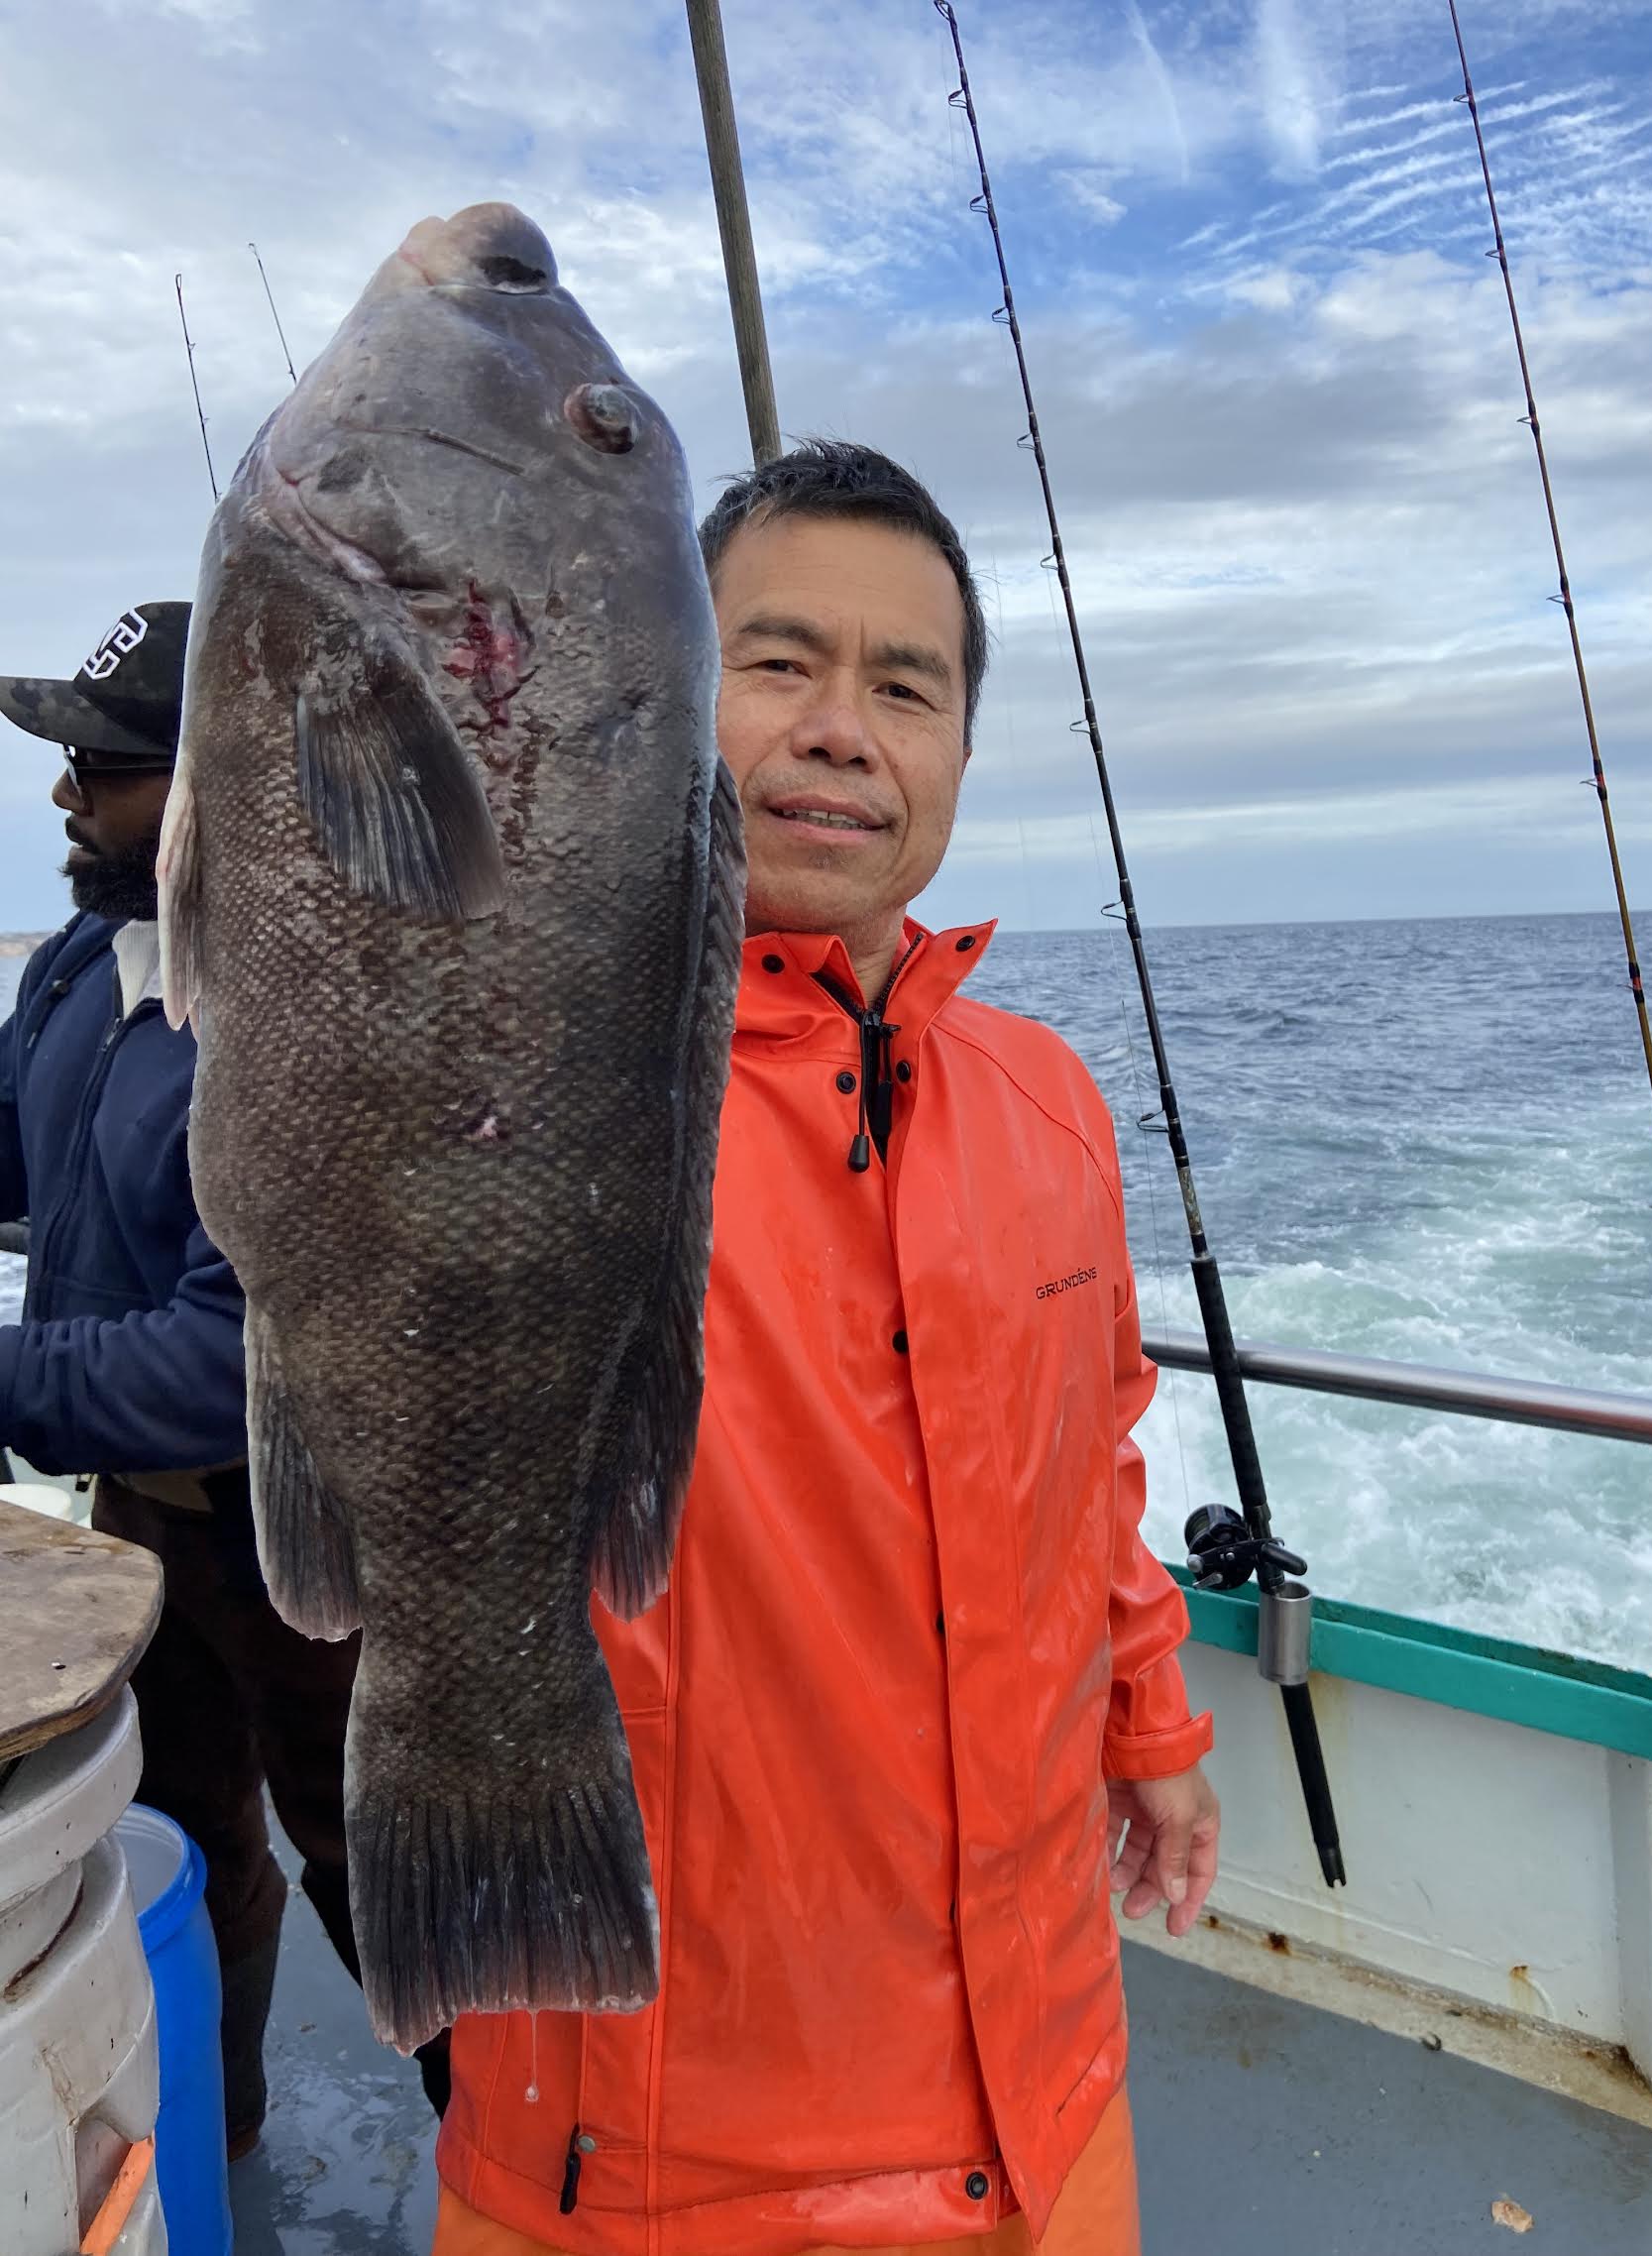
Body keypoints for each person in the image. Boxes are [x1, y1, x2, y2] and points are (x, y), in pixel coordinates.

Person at [433, 442, 1220, 2256]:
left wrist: (1151, 1720)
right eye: (778, 665)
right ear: (666, 700)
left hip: (1046, 2102)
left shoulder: (1052, 1102)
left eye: (906, 684)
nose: (844, 729)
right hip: (641, 2168)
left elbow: (1091, 1454)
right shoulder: (516, 1083)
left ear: (955, 750)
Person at [0, 600, 450, 2152]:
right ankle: (219, 2128)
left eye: (103, 765)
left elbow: (222, 1367)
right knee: (184, 1833)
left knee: (390, 1878)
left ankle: (526, 2167)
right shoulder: (79, 962)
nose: (65, 793)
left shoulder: (314, 1022)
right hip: (144, 1529)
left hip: (315, 1554)